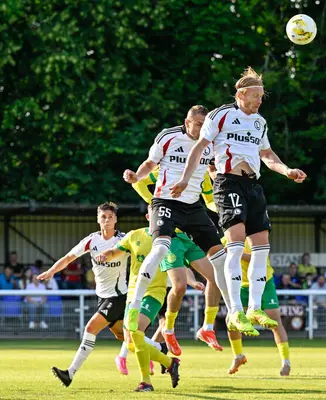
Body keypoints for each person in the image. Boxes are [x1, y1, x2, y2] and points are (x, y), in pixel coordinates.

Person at [170, 68, 307, 335]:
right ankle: (235, 311)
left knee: (261, 247)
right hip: (227, 182)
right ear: (241, 94)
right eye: (255, 96)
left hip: (253, 185)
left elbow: (267, 154)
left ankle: (254, 307)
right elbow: (199, 147)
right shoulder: (220, 115)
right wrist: (187, 179)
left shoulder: (259, 122)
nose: (259, 101)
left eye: (261, 97)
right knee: (234, 244)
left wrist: (287, 170)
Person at [121, 105, 229, 338]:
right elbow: (150, 164)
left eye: (205, 124)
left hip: (192, 207)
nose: (203, 128)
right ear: (187, 122)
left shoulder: (210, 142)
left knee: (220, 258)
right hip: (165, 202)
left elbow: (213, 172)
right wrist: (136, 177)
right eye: (199, 124)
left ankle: (227, 316)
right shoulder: (169, 137)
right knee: (160, 249)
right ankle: (134, 307)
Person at [37, 203, 155, 387]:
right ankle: (163, 354)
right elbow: (69, 258)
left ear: (116, 219)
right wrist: (52, 271)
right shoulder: (92, 240)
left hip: (118, 296)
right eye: (103, 217)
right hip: (103, 296)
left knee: (91, 328)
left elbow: (143, 252)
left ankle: (70, 373)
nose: (106, 220)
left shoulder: (124, 239)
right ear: (97, 219)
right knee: (128, 338)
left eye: (110, 216)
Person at [97, 218, 208, 392]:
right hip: (133, 294)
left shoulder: (170, 238)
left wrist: (192, 282)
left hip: (154, 293)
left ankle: (146, 382)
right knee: (131, 341)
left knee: (136, 331)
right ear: (149, 216)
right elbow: (114, 250)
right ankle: (169, 362)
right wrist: (106, 254)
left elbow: (181, 266)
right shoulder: (134, 235)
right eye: (153, 211)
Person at [128, 161, 227, 352]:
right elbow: (138, 183)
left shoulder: (202, 174)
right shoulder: (167, 169)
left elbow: (210, 203)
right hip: (171, 235)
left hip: (189, 235)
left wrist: (224, 208)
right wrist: (155, 202)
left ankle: (207, 328)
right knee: (179, 286)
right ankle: (169, 329)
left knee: (216, 278)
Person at [224, 236, 291, 377]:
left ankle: (286, 362)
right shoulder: (226, 238)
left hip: (264, 282)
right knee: (231, 321)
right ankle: (238, 356)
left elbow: (257, 257)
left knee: (274, 321)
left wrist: (235, 253)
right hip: (241, 284)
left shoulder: (256, 234)